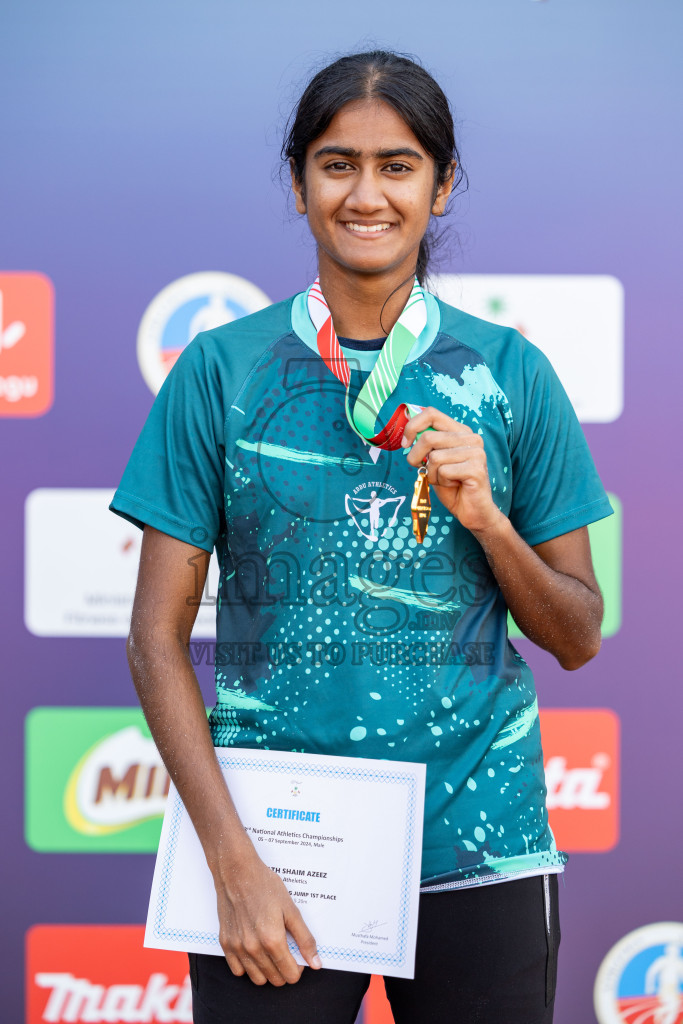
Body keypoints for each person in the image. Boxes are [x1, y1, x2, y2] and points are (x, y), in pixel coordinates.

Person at [110, 50, 612, 1024]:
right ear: (299, 185)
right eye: (337, 164)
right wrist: (231, 862)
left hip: (477, 847)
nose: (365, 193)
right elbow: (152, 639)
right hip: (280, 855)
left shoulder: (509, 371)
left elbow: (577, 633)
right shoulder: (220, 368)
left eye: (397, 165)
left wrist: (486, 521)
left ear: (441, 182)